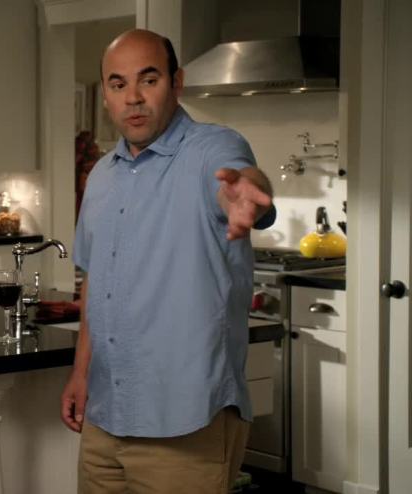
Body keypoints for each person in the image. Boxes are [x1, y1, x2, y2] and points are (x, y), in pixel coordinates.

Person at [60, 29, 276, 493]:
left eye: (149, 79)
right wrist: (81, 372)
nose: (133, 98)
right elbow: (96, 281)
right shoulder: (101, 176)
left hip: (185, 424)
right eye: (118, 84)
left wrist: (245, 192)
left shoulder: (211, 149)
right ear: (106, 95)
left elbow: (238, 177)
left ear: (176, 83)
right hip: (104, 418)